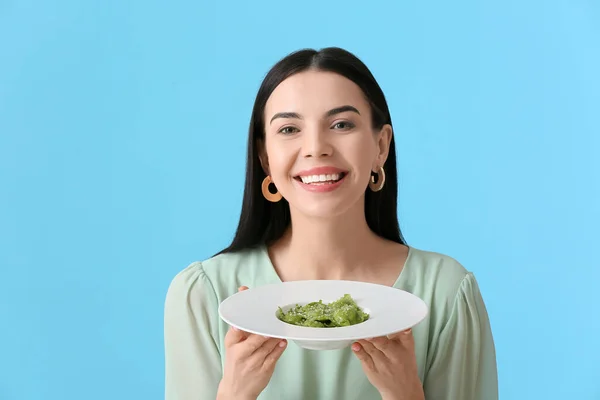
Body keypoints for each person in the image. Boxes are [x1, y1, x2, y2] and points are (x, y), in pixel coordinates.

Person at [163, 47, 498, 400]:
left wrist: (406, 393)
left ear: (380, 146)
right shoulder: (205, 294)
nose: (315, 148)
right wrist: (234, 393)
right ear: (265, 157)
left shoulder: (444, 291)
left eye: (341, 124)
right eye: (289, 128)